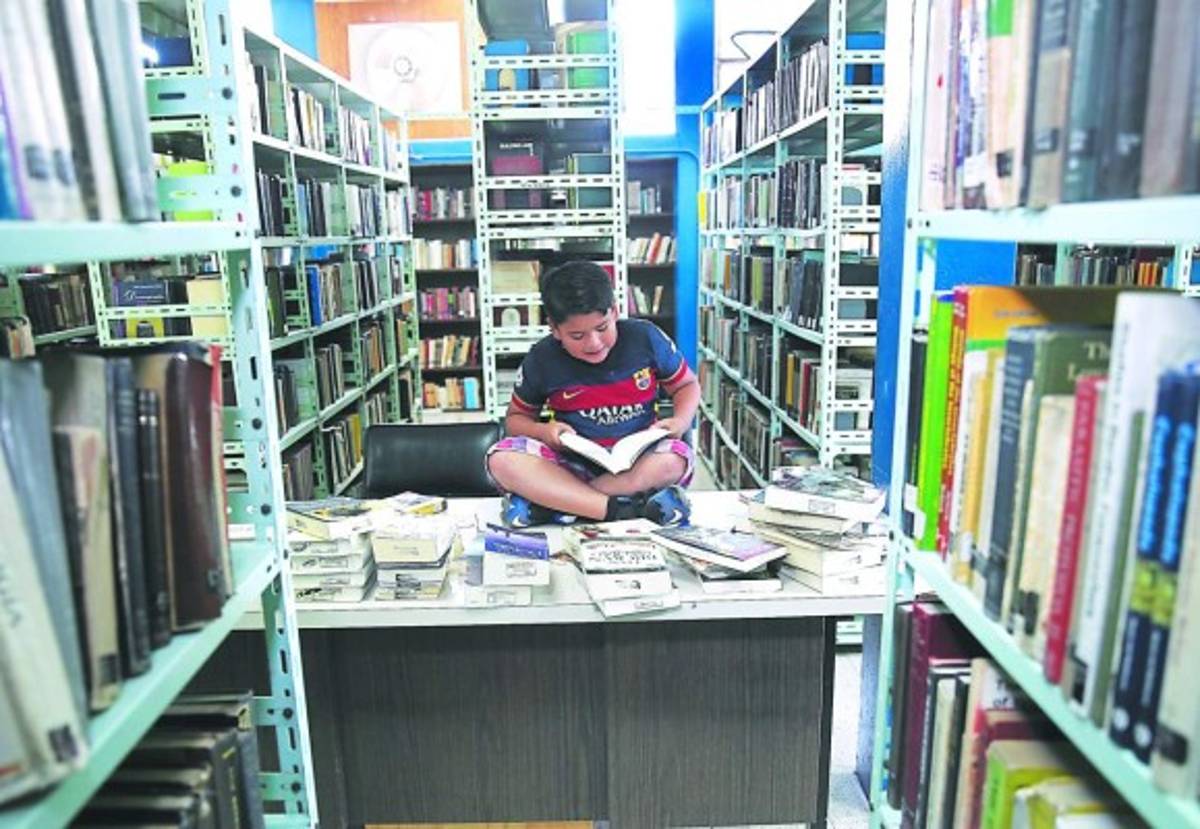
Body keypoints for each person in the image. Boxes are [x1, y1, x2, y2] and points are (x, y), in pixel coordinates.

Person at [486, 260, 700, 527]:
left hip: (638, 464)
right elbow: (515, 420)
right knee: (501, 460)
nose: (594, 343)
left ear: (615, 311)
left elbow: (687, 385)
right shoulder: (542, 358)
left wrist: (681, 420)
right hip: (569, 467)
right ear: (554, 329)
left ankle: (556, 506)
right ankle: (622, 509)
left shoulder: (645, 338)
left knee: (675, 460)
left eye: (602, 328)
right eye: (577, 336)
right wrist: (545, 432)